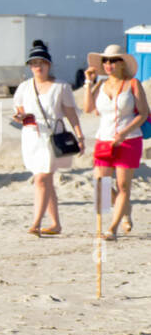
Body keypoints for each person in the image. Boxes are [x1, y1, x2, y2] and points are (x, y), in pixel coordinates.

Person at [13, 40, 83, 235]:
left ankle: (35, 223)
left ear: (49, 64)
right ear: (30, 66)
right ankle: (55, 224)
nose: (38, 67)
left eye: (41, 62)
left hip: (53, 137)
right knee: (45, 179)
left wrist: (79, 136)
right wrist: (20, 117)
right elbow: (20, 111)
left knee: (42, 178)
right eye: (34, 63)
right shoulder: (24, 87)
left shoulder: (61, 87)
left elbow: (71, 113)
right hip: (31, 136)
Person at [84, 43, 148, 239]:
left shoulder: (133, 84)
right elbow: (88, 109)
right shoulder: (100, 85)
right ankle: (126, 209)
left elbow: (144, 113)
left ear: (122, 63)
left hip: (129, 139)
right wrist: (88, 83)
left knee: (123, 185)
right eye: (105, 60)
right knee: (100, 182)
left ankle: (112, 228)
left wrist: (123, 132)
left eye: (113, 60)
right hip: (104, 138)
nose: (108, 64)